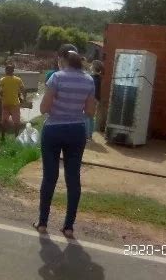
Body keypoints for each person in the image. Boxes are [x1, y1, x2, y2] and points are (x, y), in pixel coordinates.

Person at [34, 44, 95, 238]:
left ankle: (43, 223)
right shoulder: (89, 80)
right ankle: (68, 226)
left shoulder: (56, 77)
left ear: (61, 60)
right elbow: (91, 112)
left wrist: (56, 107)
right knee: (73, 179)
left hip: (53, 130)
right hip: (77, 131)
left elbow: (43, 108)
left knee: (50, 177)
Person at [0, 64, 26, 141]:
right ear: (13, 71)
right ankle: (16, 138)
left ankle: (3, 137)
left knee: (4, 122)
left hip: (5, 104)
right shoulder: (18, 80)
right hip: (15, 105)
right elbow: (24, 90)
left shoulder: (2, 80)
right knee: (16, 123)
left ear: (5, 71)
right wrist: (24, 99)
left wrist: (1, 98)